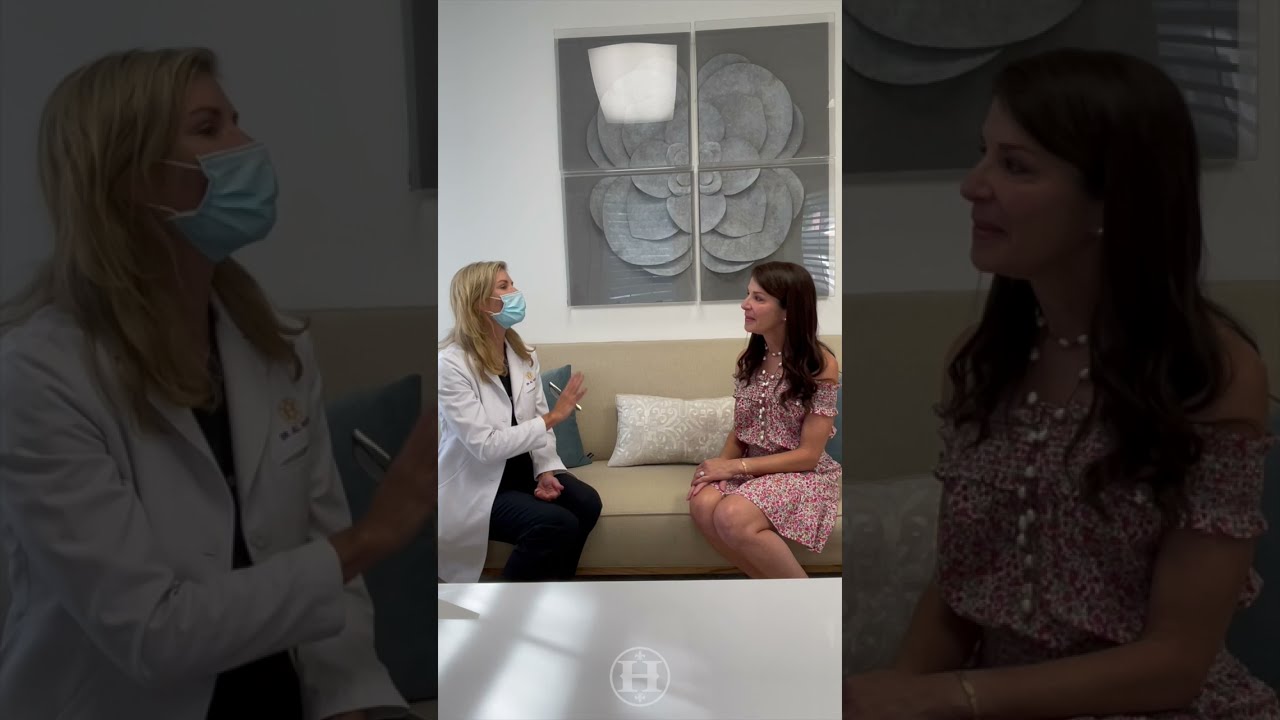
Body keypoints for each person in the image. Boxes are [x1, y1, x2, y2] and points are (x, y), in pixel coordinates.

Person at [0, 48, 437, 720]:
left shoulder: (277, 346)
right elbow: (152, 632)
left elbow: (325, 585)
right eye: (209, 130)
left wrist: (360, 699)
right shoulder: (39, 376)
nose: (248, 147)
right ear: (126, 176)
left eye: (236, 122)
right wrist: (375, 536)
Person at [844, 49, 1280, 719]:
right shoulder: (982, 360)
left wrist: (946, 697)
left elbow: (1176, 662)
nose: (972, 185)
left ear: (1112, 199)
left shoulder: (1208, 376)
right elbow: (960, 589)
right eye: (983, 153)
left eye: (1015, 166)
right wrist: (897, 691)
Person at [437, 261, 600, 583]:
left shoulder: (522, 353)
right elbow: (485, 447)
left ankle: (555, 591)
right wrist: (554, 417)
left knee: (586, 502)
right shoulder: (450, 364)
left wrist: (546, 470)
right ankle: (506, 610)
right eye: (504, 286)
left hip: (523, 471)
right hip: (479, 484)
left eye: (511, 284)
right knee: (555, 523)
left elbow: (534, 417)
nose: (515, 293)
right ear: (480, 302)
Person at [687, 261, 841, 579]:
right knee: (702, 503)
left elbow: (808, 456)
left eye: (759, 298)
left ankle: (809, 605)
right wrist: (716, 469)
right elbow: (740, 432)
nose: (745, 305)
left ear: (788, 310)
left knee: (732, 514)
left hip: (801, 473)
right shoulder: (751, 360)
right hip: (753, 470)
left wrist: (733, 467)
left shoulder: (820, 364)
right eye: (748, 295)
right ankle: (770, 595)